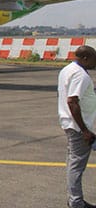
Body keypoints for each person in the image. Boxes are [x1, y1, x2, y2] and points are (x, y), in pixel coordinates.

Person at [58, 45, 96, 208]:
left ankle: (74, 199)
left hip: (69, 123)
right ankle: (76, 202)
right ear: (85, 58)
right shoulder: (80, 75)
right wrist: (85, 130)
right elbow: (72, 101)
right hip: (78, 127)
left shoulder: (67, 70)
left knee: (73, 164)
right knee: (76, 166)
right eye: (94, 59)